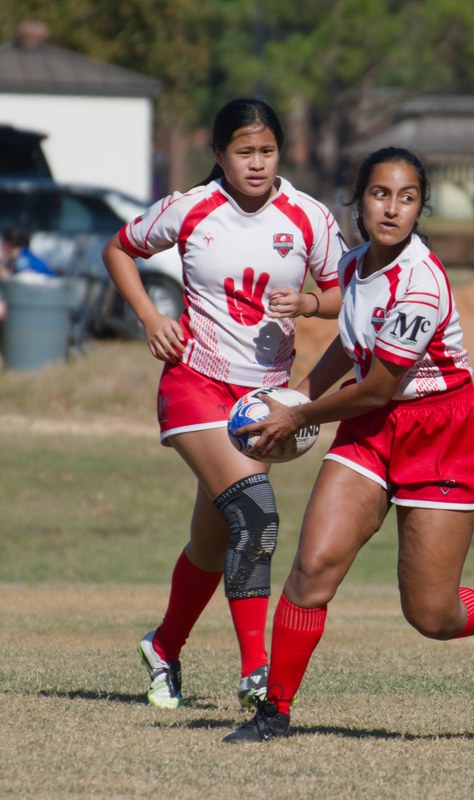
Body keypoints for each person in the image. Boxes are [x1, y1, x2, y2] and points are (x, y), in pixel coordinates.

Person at [222, 146, 474, 743]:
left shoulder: (422, 283)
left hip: (442, 433)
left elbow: (377, 387)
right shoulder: (354, 266)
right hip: (371, 431)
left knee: (431, 612)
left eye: (408, 197)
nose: (393, 209)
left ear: (421, 208)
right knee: (313, 568)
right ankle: (274, 713)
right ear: (359, 201)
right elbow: (351, 344)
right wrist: (295, 398)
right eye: (380, 194)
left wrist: (300, 417)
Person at [101, 97, 345, 711]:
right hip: (194, 382)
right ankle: (256, 672)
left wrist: (310, 305)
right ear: (219, 154)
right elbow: (119, 249)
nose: (257, 163)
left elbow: (345, 295)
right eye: (243, 152)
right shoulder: (190, 207)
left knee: (214, 541)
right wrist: (151, 317)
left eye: (267, 151)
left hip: (263, 403)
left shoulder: (309, 217)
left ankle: (163, 646)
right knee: (256, 517)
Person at [0, 227, 55, 322]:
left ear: (8, 245)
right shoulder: (22, 257)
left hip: (42, 305)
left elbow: (18, 281)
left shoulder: (23, 259)